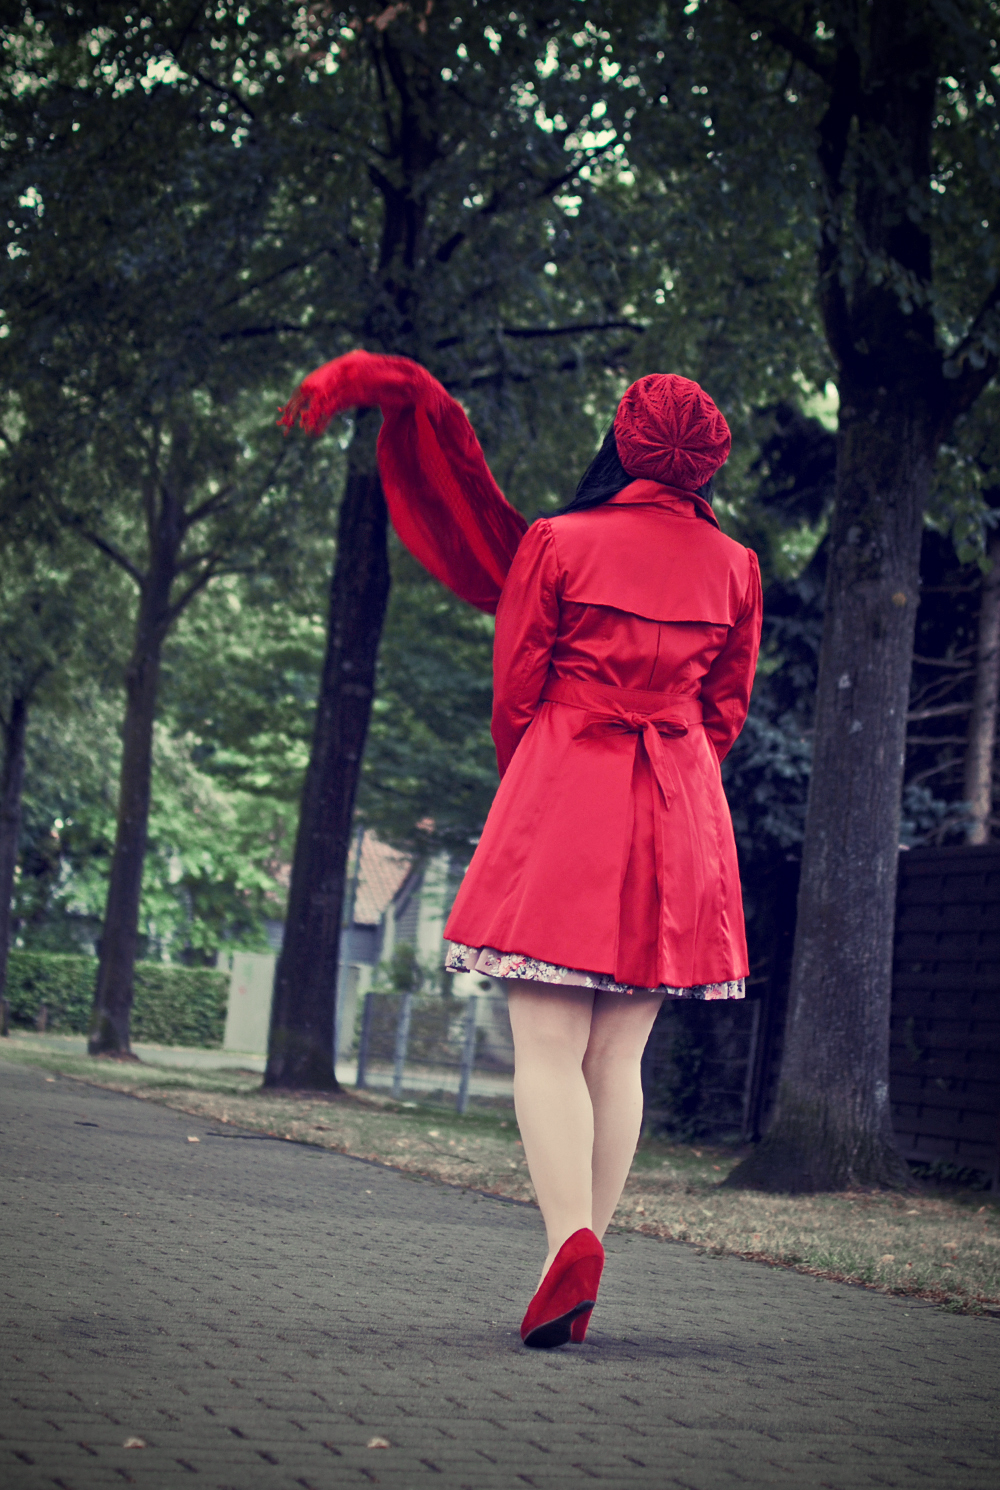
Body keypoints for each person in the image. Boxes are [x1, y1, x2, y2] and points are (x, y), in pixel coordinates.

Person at [443, 374, 762, 1347]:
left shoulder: (556, 540)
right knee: (616, 1055)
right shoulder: (738, 566)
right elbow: (726, 711)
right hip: (681, 811)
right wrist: (679, 773)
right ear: (708, 461)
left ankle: (563, 1246)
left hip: (568, 791)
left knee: (544, 1049)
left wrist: (534, 783)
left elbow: (516, 689)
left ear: (621, 444)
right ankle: (577, 1269)